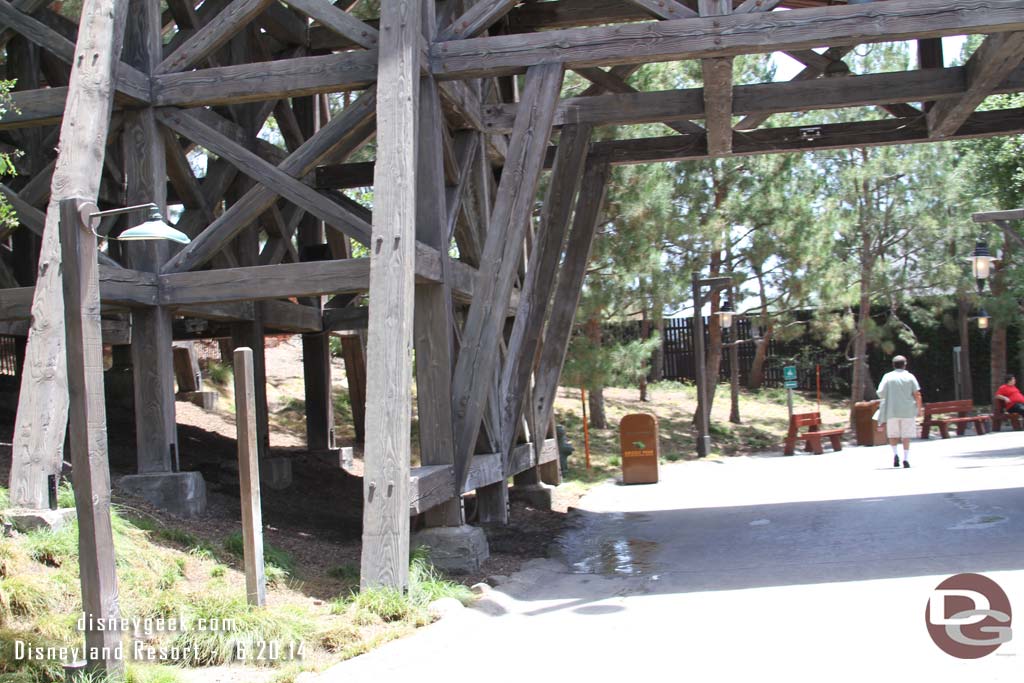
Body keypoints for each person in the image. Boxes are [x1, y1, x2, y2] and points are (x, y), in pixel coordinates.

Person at [876, 355, 923, 469]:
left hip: (892, 410)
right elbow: (917, 394)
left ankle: (895, 454)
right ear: (905, 364)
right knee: (906, 435)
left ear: (893, 365)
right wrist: (919, 408)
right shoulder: (910, 376)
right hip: (907, 410)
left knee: (893, 434)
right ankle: (906, 458)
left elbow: (880, 392)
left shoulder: (887, 376)